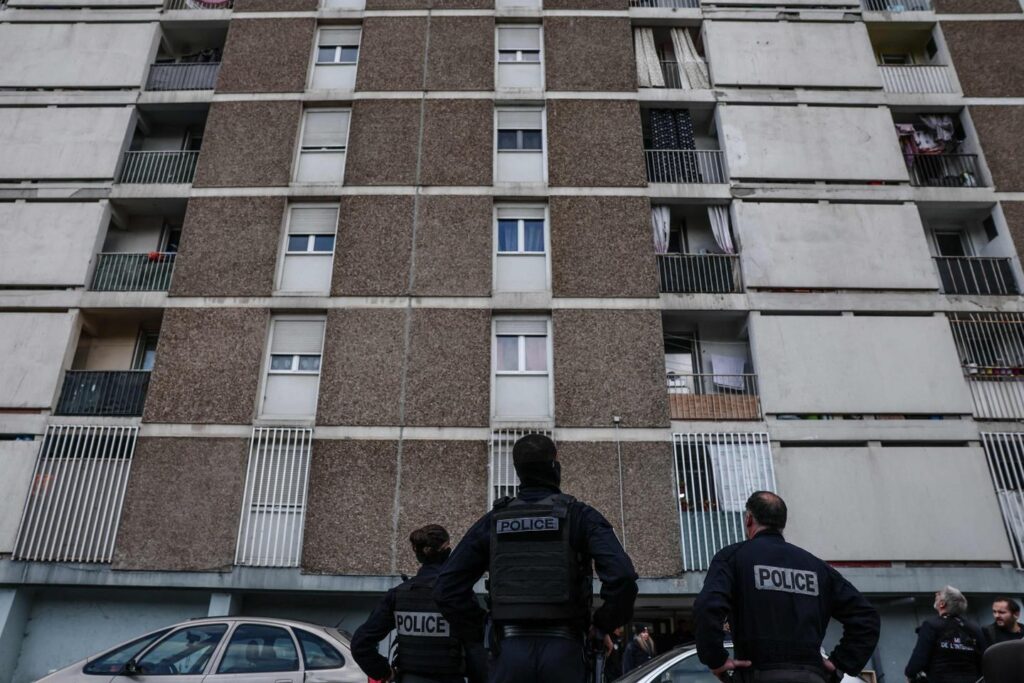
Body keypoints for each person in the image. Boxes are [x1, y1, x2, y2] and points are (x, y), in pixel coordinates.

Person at [433, 434, 639, 683]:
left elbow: (446, 588)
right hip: (565, 653)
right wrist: (601, 626)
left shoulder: (492, 522)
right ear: (555, 465)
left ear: (518, 471)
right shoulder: (580, 517)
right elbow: (623, 577)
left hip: (508, 652)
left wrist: (484, 629)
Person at [694, 491, 880, 683]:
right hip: (811, 677)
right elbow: (866, 617)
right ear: (782, 523)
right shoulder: (816, 567)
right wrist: (840, 662)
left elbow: (708, 606)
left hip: (756, 675)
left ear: (749, 519)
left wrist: (716, 659)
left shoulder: (733, 558)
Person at [351, 524, 486, 683]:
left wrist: (385, 672)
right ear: (446, 550)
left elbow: (360, 644)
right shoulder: (458, 595)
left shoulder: (397, 595)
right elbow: (477, 648)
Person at [904, 585, 984, 683]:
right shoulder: (975, 628)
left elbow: (918, 660)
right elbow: (984, 660)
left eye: (939, 593)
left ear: (942, 604)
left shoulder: (931, 625)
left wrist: (909, 674)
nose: (936, 594)